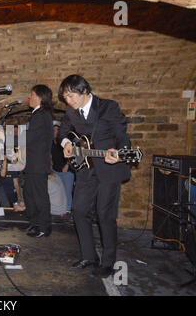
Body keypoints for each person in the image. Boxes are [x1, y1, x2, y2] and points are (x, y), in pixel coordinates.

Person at [57, 74, 131, 278]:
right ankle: (89, 256)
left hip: (109, 170)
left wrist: (120, 152)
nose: (68, 102)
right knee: (79, 210)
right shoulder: (71, 111)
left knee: (104, 215)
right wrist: (67, 144)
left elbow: (122, 136)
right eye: (65, 98)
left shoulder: (109, 107)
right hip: (85, 169)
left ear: (84, 91)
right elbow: (62, 132)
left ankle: (108, 262)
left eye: (71, 97)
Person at [22, 84, 54, 238]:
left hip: (37, 164)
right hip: (33, 163)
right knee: (29, 194)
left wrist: (5, 137)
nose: (30, 97)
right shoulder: (39, 114)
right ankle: (35, 223)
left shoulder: (41, 115)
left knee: (39, 196)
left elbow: (29, 139)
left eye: (32, 94)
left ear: (40, 97)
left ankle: (44, 227)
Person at [51, 120, 75, 212]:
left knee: (67, 192)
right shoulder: (51, 143)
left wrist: (67, 165)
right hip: (56, 171)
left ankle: (68, 211)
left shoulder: (65, 143)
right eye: (53, 130)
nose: (55, 132)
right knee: (59, 193)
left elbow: (72, 154)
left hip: (67, 172)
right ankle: (61, 211)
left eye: (57, 130)